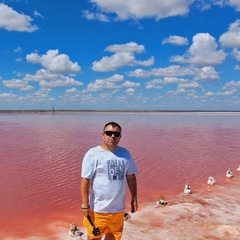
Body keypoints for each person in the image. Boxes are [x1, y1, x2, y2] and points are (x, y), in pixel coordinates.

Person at [80, 122, 138, 240]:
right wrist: (85, 204)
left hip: (118, 210)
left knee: (113, 236)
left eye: (116, 134)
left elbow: (131, 177)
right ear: (103, 135)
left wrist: (134, 198)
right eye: (109, 133)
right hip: (97, 209)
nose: (112, 136)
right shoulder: (93, 154)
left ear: (120, 137)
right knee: (94, 237)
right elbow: (85, 180)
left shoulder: (125, 154)